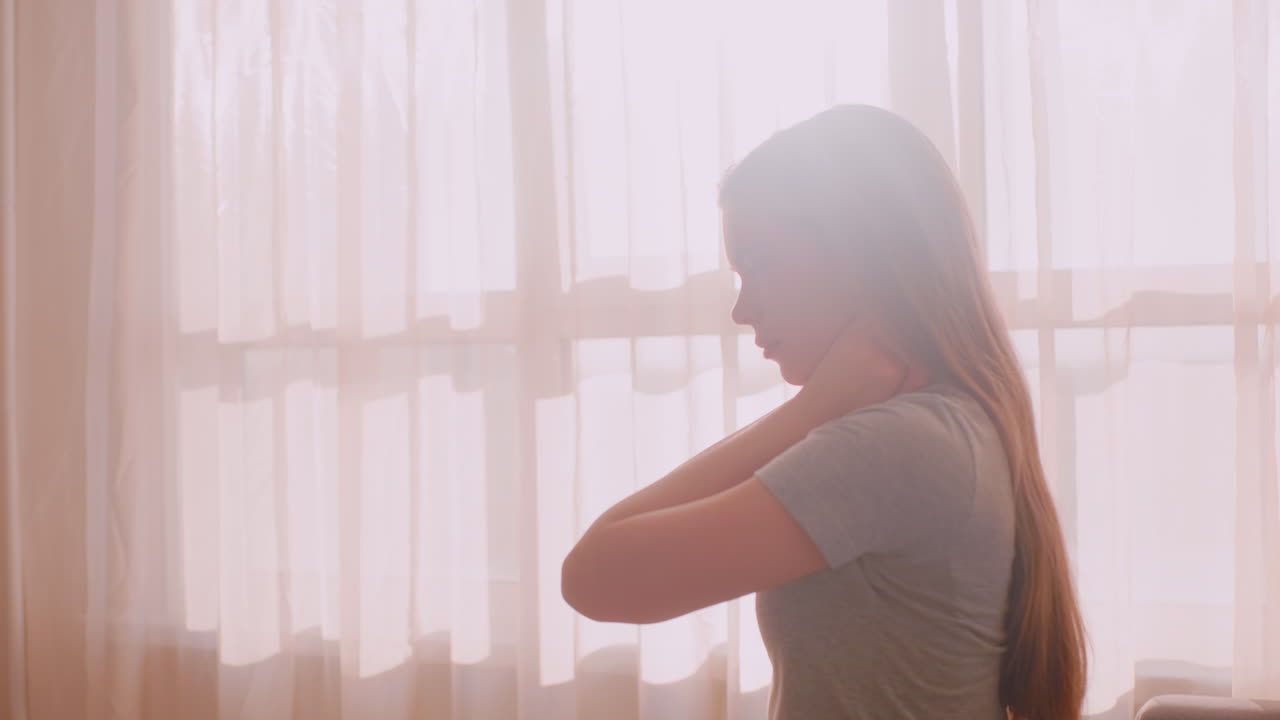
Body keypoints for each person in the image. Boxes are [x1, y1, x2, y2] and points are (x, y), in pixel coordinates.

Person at [561, 104, 1087, 720]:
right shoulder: (952, 424)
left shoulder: (899, 446)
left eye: (760, 265)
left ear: (863, 255)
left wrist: (811, 409)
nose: (742, 310)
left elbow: (595, 576)